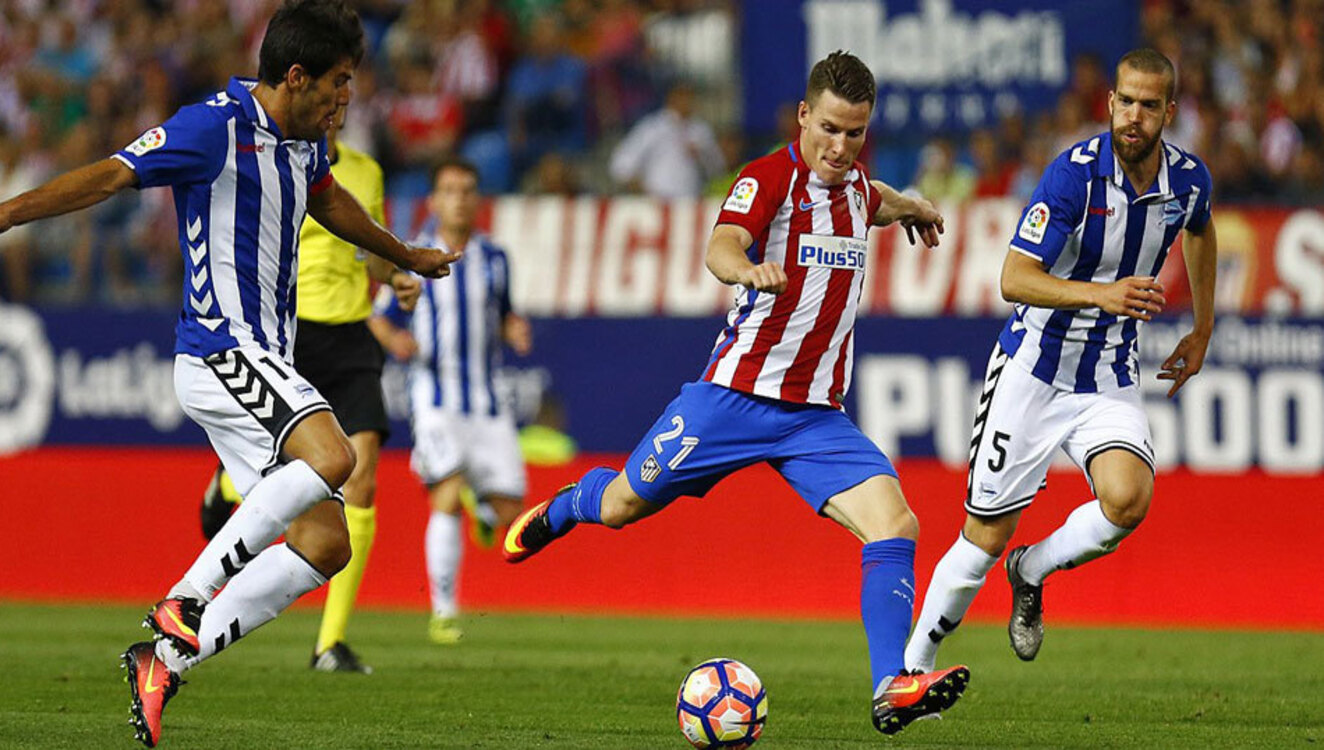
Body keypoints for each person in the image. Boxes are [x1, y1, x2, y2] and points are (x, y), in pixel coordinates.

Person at [0, 2, 459, 746]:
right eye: (339, 82)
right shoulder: (211, 125)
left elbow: (329, 202)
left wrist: (403, 254)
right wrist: (5, 213)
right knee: (336, 457)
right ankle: (185, 598)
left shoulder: (308, 143)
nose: (348, 98)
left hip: (264, 360)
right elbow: (111, 175)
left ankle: (166, 660)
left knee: (325, 547)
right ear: (294, 75)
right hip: (222, 350)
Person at [502, 51, 969, 736]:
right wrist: (746, 270)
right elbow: (719, 245)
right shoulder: (768, 179)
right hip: (731, 399)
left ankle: (890, 685)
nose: (840, 148)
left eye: (855, 134)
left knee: (897, 524)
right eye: (830, 129)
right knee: (624, 502)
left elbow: (880, 199)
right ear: (804, 115)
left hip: (815, 417)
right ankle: (570, 505)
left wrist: (915, 209)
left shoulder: (858, 189)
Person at [903, 48, 1217, 675]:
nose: (1134, 116)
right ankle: (908, 671)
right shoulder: (1073, 176)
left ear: (1169, 113)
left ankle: (1034, 569)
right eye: (1125, 101)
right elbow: (1014, 278)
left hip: (1107, 374)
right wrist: (1102, 293)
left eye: (1149, 106)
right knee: (981, 540)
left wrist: (1204, 327)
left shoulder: (1188, 180)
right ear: (1109, 103)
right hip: (1033, 371)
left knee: (1129, 499)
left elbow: (1200, 230)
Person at [197, 101, 420, 674]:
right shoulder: (282, 164)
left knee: (363, 477)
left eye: (345, 96)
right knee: (306, 470)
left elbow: (366, 253)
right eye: (332, 93)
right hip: (294, 336)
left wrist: (393, 274)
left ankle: (329, 643)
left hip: (351, 337)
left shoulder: (366, 172)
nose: (337, 107)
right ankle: (230, 486)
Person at [367, 156, 533, 645]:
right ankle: (443, 612)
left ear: (477, 200)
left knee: (510, 516)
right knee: (445, 492)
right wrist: (394, 340)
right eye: (450, 190)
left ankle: (484, 509)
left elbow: (503, 314)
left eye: (467, 190)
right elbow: (376, 314)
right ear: (434, 200)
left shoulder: (495, 259)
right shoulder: (411, 256)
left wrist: (514, 329)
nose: (459, 198)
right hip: (435, 397)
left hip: (487, 402)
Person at [608, 82, 726, 199]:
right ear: (671, 98)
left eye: (689, 97)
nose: (686, 102)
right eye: (681, 97)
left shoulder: (701, 130)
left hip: (691, 200)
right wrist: (638, 185)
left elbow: (718, 167)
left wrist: (701, 155)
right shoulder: (653, 127)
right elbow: (621, 163)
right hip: (657, 201)